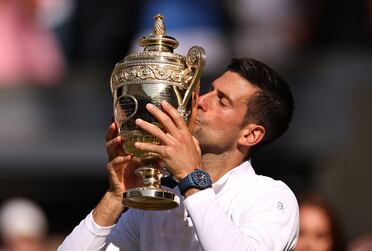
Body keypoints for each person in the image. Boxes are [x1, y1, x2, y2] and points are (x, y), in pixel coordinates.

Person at [59, 58, 299, 251]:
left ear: (250, 135)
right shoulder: (156, 204)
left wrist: (192, 178)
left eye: (222, 101)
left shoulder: (270, 197)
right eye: (210, 91)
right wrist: (115, 196)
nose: (201, 100)